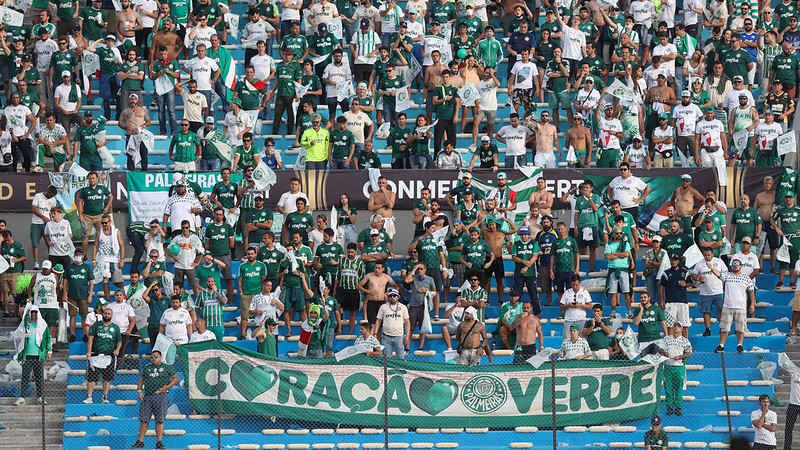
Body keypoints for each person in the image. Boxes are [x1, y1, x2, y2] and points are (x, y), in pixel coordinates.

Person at [131, 350, 179, 450]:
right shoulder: (147, 368)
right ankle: (140, 441)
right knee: (144, 420)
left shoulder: (166, 367)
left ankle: (159, 442)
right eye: (152, 357)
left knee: (159, 420)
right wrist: (139, 391)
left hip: (161, 395)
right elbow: (141, 379)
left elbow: (176, 378)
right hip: (148, 396)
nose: (153, 359)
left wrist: (167, 387)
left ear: (160, 357)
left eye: (156, 357)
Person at [709, 257, 755, 353]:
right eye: (733, 264)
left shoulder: (746, 277)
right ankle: (721, 346)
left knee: (740, 328)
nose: (735, 266)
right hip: (727, 306)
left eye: (737, 264)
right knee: (724, 328)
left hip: (741, 307)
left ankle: (739, 345)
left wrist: (752, 305)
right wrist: (712, 268)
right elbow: (718, 274)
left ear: (741, 266)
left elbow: (751, 291)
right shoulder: (727, 275)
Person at [13, 306, 52, 407]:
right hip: (27, 355)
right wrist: (22, 336)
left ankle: (40, 397)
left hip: (38, 355)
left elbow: (48, 338)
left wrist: (49, 352)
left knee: (39, 377)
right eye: (32, 312)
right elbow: (17, 335)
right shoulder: (25, 324)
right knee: (25, 376)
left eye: (35, 312)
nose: (33, 314)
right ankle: (22, 397)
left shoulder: (43, 325)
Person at [83, 306, 122, 404]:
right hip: (96, 355)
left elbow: (119, 341)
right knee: (92, 378)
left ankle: (105, 396)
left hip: (109, 356)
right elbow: (91, 338)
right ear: (103, 314)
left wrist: (117, 350)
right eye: (105, 313)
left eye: (109, 314)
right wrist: (89, 351)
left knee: (107, 378)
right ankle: (89, 397)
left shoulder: (115, 328)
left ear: (112, 315)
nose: (107, 315)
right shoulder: (96, 325)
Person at [659, 323, 692, 416]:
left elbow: (689, 353)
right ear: (672, 328)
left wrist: (680, 356)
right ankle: (669, 407)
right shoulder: (666, 339)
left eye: (678, 326)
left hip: (679, 366)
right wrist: (664, 353)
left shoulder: (685, 340)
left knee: (678, 388)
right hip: (668, 366)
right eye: (675, 326)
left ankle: (678, 407)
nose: (676, 328)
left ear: (681, 329)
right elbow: (660, 349)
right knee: (668, 388)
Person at [608, 162, 651, 226]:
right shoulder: (615, 180)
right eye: (621, 170)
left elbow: (647, 188)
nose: (623, 171)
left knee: (632, 227)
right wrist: (611, 199)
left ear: (629, 170)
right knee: (617, 227)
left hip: (631, 208)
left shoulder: (635, 180)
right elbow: (609, 188)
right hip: (618, 209)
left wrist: (640, 199)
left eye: (625, 169)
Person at [336, 243, 365, 335]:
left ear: (355, 252)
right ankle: (339, 327)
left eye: (352, 252)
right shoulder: (342, 261)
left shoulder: (360, 262)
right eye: (348, 252)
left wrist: (359, 288)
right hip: (342, 288)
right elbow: (338, 275)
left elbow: (362, 277)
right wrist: (335, 290)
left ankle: (350, 333)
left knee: (352, 311)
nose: (350, 254)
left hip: (354, 289)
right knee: (337, 306)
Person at [239, 247, 267, 340]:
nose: (250, 255)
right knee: (244, 316)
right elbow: (240, 280)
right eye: (248, 254)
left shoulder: (261, 265)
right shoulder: (242, 266)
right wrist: (241, 292)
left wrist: (262, 293)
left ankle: (260, 333)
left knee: (261, 314)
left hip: (258, 294)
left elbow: (264, 280)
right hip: (246, 294)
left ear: (255, 254)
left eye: (252, 254)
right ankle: (243, 335)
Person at [373, 288, 410, 359]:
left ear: (398, 297)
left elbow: (407, 322)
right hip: (386, 336)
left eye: (394, 296)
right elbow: (378, 320)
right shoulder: (383, 307)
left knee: (400, 358)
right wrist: (375, 333)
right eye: (390, 296)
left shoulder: (403, 307)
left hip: (399, 336)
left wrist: (407, 336)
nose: (392, 297)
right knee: (387, 358)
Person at [606, 227, 633, 319]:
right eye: (617, 233)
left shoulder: (626, 243)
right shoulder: (609, 244)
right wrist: (621, 255)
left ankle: (629, 312)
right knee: (613, 292)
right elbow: (608, 256)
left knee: (626, 292)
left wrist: (615, 254)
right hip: (613, 269)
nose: (619, 235)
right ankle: (613, 312)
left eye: (620, 233)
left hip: (623, 269)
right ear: (613, 234)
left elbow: (626, 254)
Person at [30, 186, 58, 269]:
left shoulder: (53, 200)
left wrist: (54, 221)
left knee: (50, 244)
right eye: (50, 195)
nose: (50, 197)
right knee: (35, 244)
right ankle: (36, 263)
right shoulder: (38, 196)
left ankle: (50, 262)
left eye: (52, 196)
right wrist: (44, 217)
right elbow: (33, 209)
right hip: (36, 223)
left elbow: (54, 211)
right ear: (47, 190)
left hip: (47, 224)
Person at [193, 277, 227, 342]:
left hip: (218, 324)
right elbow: (197, 308)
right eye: (209, 281)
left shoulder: (220, 292)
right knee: (207, 344)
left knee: (218, 343)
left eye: (212, 281)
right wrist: (203, 314)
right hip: (207, 325)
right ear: (206, 283)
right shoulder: (202, 294)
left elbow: (224, 301)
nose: (210, 283)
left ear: (215, 282)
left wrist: (216, 291)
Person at [633, 291, 667, 356]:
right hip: (643, 340)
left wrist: (666, 334)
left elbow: (663, 322)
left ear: (649, 298)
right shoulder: (637, 310)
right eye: (641, 297)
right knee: (644, 360)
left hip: (655, 339)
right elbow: (636, 323)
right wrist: (641, 310)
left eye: (645, 297)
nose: (643, 299)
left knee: (656, 360)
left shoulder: (656, 309)